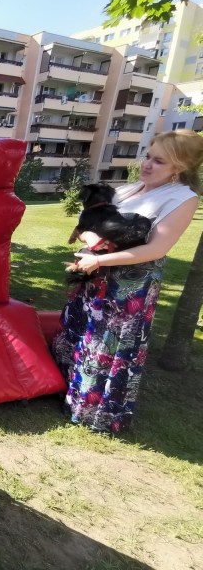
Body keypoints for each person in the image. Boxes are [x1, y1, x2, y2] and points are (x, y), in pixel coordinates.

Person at [52, 129, 203, 433]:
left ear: (180, 167)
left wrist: (100, 259)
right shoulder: (130, 189)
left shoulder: (182, 199)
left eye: (159, 161)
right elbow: (86, 223)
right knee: (83, 333)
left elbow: (155, 249)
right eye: (148, 156)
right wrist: (90, 238)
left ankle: (94, 412)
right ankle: (65, 391)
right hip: (94, 278)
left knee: (108, 345)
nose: (147, 164)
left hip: (128, 289)